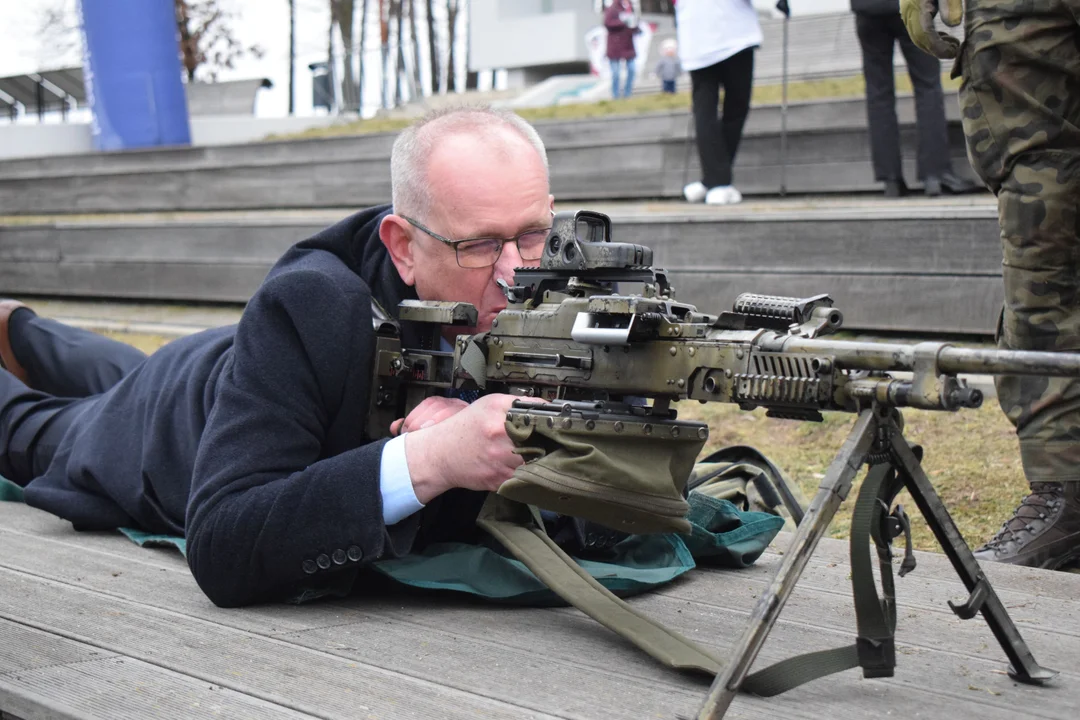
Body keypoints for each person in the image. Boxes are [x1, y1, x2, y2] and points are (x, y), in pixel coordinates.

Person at [0, 107, 559, 607]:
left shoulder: (574, 289)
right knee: (34, 428)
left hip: (244, 366)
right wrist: (428, 457)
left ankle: (23, 331)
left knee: (118, 370)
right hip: (171, 422)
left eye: (532, 234)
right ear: (403, 247)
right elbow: (223, 545)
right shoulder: (312, 304)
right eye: (480, 245)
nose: (515, 274)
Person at [902, 0, 1080, 569]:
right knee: (1039, 305)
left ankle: (1066, 501)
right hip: (1026, 143)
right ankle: (1065, 498)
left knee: (1044, 311)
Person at [851, 0, 979, 197]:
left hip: (867, 9)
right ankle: (935, 175)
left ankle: (891, 180)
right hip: (911, 7)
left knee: (878, 93)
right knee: (927, 87)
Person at [677, 0, 761, 206]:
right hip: (732, 32)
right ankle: (718, 181)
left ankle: (712, 179)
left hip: (696, 33)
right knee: (735, 106)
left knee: (705, 109)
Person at [604, 0, 640, 99]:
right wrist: (624, 22)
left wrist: (635, 27)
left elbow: (633, 24)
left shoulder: (630, 8)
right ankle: (615, 95)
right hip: (615, 46)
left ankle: (627, 94)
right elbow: (608, 23)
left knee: (632, 70)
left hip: (628, 45)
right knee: (616, 73)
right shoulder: (613, 8)